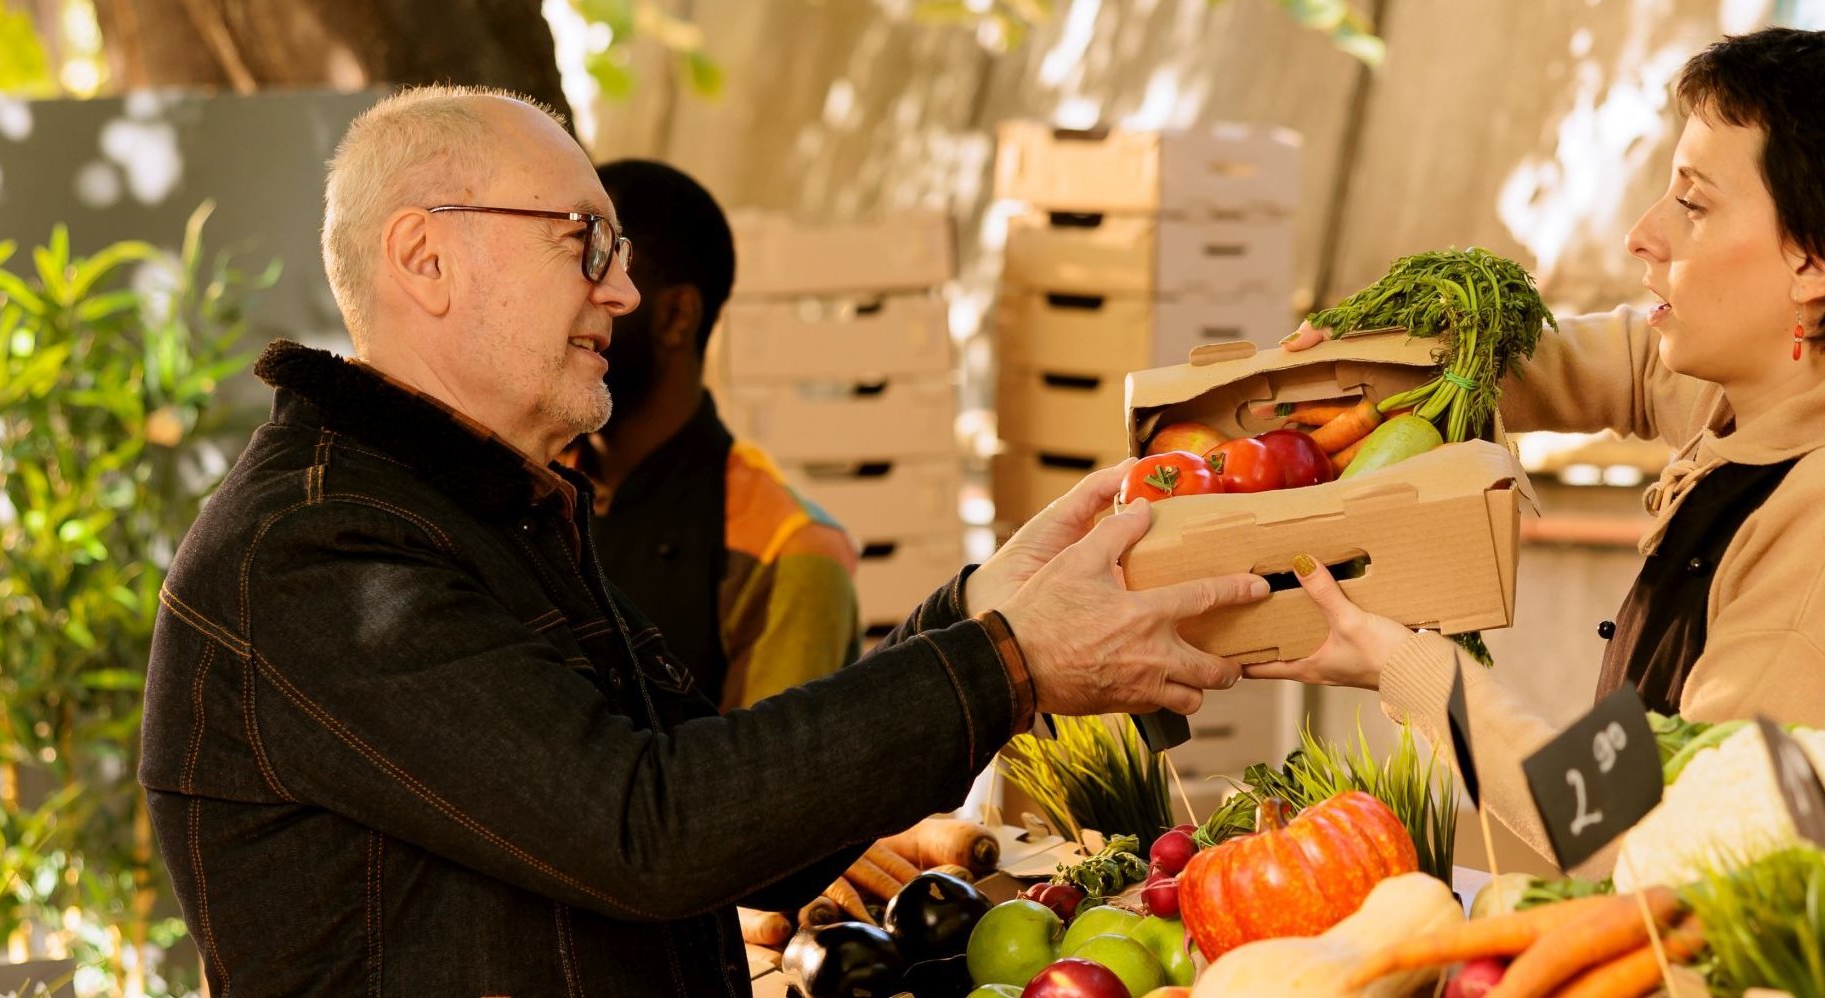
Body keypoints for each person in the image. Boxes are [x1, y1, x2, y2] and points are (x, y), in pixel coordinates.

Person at [136, 85, 1266, 993]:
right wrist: (1007, 659)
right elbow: (650, 828)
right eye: (584, 242)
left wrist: (970, 620)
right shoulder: (314, 552)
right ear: (423, 258)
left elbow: (735, 827)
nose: (623, 291)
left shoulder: (484, 508)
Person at [1260, 27, 1825, 871]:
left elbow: (1669, 848)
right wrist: (1409, 371)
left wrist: (1412, 669)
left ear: (1818, 259)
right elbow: (1631, 363)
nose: (1642, 235)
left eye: (1693, 203)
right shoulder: (1798, 383)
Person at [566, 158, 864, 709]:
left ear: (676, 316)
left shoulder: (791, 552)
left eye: (599, 267)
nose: (566, 302)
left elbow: (769, 789)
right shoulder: (531, 480)